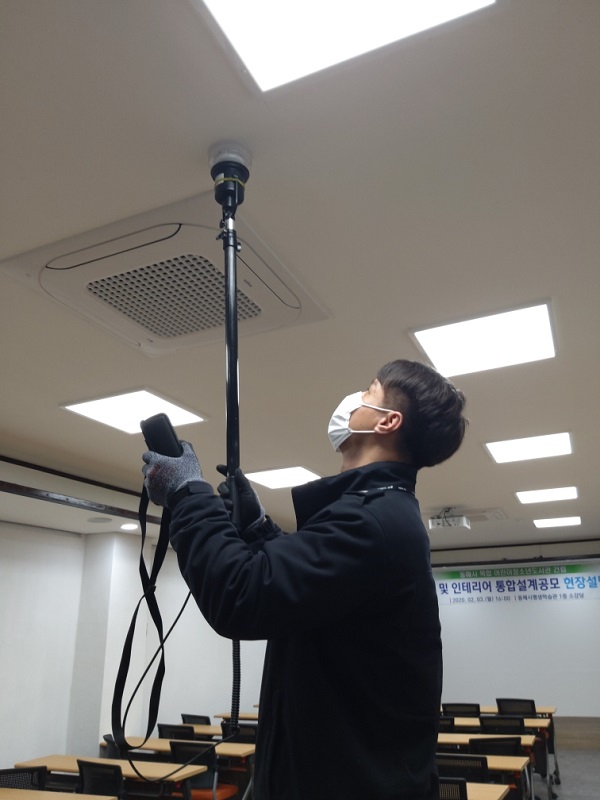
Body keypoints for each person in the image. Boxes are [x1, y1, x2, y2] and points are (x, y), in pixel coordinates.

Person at [143, 359, 467, 800]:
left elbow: (241, 595)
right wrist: (258, 528)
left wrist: (187, 495)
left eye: (368, 392)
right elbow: (309, 595)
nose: (355, 399)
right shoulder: (376, 512)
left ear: (388, 421)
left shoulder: (372, 522)